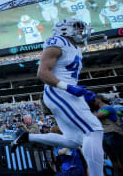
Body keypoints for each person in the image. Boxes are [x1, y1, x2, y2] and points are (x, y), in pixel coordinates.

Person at [11, 18, 104, 176]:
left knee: (74, 140)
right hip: (60, 92)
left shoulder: (76, 48)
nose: (81, 32)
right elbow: (42, 73)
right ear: (65, 29)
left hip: (68, 93)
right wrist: (69, 88)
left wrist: (76, 90)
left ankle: (28, 137)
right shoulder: (58, 42)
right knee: (94, 129)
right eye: (77, 28)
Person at [92, 94, 123, 176]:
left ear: (99, 99)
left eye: (94, 99)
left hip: (115, 134)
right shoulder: (98, 110)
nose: (92, 101)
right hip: (105, 136)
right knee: (113, 159)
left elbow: (101, 115)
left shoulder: (108, 108)